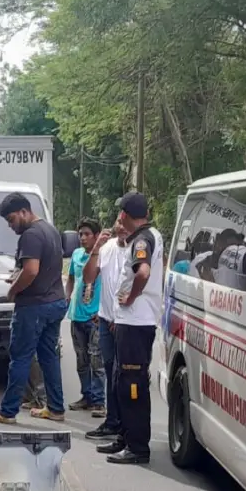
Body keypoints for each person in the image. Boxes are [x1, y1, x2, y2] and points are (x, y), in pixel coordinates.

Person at [97, 192, 164, 465]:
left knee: (132, 384)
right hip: (130, 322)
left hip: (137, 322)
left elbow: (143, 272)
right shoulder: (149, 236)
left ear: (124, 214)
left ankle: (137, 446)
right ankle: (126, 438)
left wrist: (132, 297)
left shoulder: (142, 239)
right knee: (121, 381)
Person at [0, 192, 67, 425]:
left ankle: (8, 411)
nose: (11, 226)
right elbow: (42, 268)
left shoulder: (30, 235)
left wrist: (13, 289)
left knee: (20, 357)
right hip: (55, 302)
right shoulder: (50, 230)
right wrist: (18, 276)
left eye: (12, 219)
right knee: (48, 357)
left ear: (24, 211)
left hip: (34, 306)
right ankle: (55, 408)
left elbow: (31, 270)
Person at [83, 214, 129, 441]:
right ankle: (112, 422)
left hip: (124, 322)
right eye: (118, 223)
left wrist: (117, 318)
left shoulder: (137, 249)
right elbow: (88, 276)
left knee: (123, 374)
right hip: (105, 319)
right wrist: (96, 248)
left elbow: (131, 285)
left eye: (125, 224)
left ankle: (125, 424)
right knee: (110, 370)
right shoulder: (108, 248)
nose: (121, 228)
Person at [66, 217, 106, 415]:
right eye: (80, 234)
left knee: (96, 360)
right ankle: (87, 396)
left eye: (87, 234)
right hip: (77, 316)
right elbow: (71, 278)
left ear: (97, 236)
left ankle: (99, 401)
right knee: (81, 361)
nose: (82, 238)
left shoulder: (104, 255)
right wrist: (67, 297)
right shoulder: (76, 255)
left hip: (95, 318)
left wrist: (104, 309)